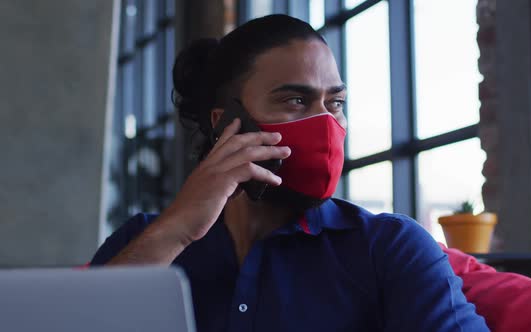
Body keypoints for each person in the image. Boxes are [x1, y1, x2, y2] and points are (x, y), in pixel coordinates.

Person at [90, 14, 489, 331]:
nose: (326, 122)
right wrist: (176, 231)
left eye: (335, 103)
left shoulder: (390, 248)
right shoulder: (143, 240)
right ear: (226, 122)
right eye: (296, 100)